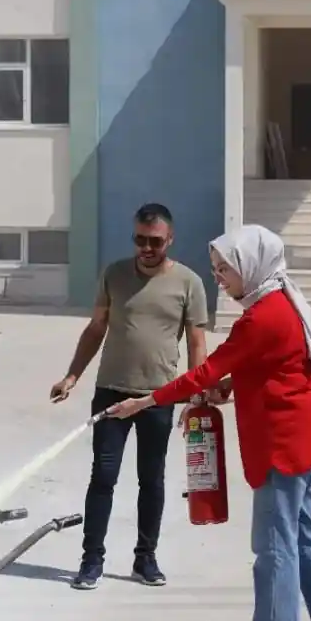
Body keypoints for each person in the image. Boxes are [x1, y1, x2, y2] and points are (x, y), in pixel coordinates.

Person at [104, 224, 311, 621]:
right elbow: (272, 366)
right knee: (305, 528)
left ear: (250, 266)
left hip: (282, 439)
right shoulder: (280, 302)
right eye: (215, 269)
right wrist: (231, 385)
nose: (218, 278)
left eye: (225, 269)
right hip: (304, 434)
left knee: (274, 540)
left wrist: (147, 400)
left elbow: (205, 370)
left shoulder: (261, 317)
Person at [50, 203, 209, 591]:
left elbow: (196, 341)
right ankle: (91, 561)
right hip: (110, 393)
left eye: (155, 241)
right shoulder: (115, 275)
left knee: (151, 480)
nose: (147, 248)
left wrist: (196, 391)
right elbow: (96, 328)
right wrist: (72, 375)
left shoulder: (189, 282)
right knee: (103, 478)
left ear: (170, 239)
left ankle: (145, 558)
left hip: (160, 396)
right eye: (140, 239)